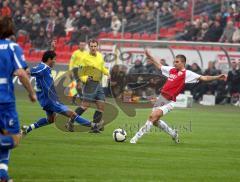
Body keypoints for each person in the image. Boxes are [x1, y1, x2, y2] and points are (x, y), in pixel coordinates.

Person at [130, 49, 226, 144]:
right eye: (174, 61)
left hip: (169, 102)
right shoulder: (171, 70)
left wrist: (217, 77)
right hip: (160, 99)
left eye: (177, 62)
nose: (175, 63)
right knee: (155, 121)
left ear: (183, 63)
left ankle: (135, 138)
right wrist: (150, 56)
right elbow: (159, 66)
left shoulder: (187, 73)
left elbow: (204, 77)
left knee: (152, 117)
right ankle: (173, 134)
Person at [21, 50, 102, 135]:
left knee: (50, 120)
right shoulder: (42, 68)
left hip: (48, 99)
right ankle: (94, 125)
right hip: (50, 99)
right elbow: (28, 71)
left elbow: (41, 67)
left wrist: (52, 48)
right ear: (49, 59)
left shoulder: (45, 67)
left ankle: (28, 128)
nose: (55, 62)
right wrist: (13, 72)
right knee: (72, 114)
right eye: (54, 59)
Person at [0, 16, 36, 181]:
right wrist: (31, 92)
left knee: (4, 134)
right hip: (4, 100)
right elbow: (21, 73)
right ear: (11, 29)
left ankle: (3, 175)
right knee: (14, 139)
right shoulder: (12, 47)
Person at [66, 39, 109, 133]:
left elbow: (102, 68)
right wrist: (85, 79)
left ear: (97, 47)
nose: (93, 48)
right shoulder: (84, 58)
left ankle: (95, 127)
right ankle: (71, 121)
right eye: (91, 46)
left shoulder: (100, 56)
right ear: (89, 47)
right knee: (85, 105)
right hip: (89, 84)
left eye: (95, 46)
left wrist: (107, 73)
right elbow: (80, 72)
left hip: (98, 84)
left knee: (101, 105)